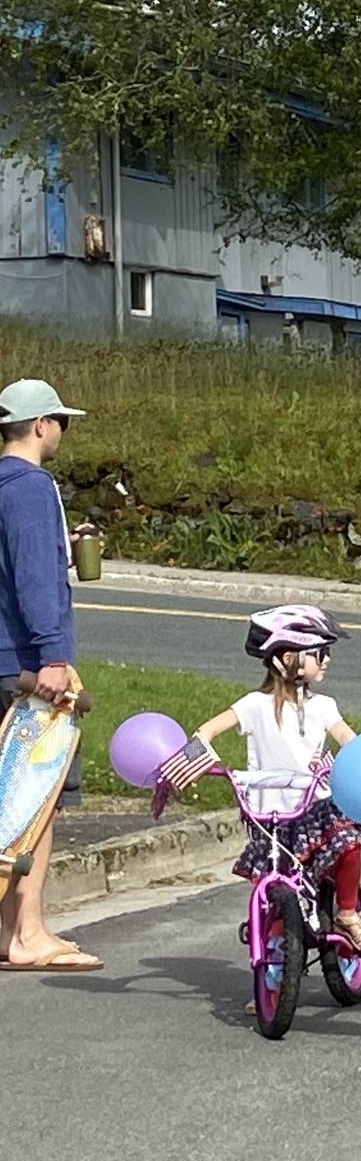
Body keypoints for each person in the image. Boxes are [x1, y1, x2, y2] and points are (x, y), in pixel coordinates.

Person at [166, 606, 361, 997]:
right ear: (288, 659)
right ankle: (274, 982)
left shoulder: (323, 707)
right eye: (319, 653)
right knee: (274, 897)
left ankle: (348, 914)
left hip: (314, 807)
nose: (326, 661)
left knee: (349, 845)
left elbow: (351, 742)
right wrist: (202, 756)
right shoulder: (254, 705)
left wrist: (357, 761)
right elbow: (207, 730)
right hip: (270, 816)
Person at [0, 376, 101, 973]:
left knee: (3, 799)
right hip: (24, 664)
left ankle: (7, 930)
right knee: (37, 800)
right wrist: (54, 657)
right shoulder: (33, 486)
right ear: (40, 425)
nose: (62, 430)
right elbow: (36, 578)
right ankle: (28, 934)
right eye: (60, 420)